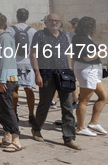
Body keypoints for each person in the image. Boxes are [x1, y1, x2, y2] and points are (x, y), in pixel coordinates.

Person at [30, 13, 80, 150]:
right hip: (46, 75)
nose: (54, 23)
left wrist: (71, 70)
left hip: (64, 75)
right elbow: (33, 54)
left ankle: (69, 138)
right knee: (44, 105)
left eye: (57, 20)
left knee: (67, 106)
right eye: (51, 20)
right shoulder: (39, 35)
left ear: (60, 22)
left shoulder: (64, 36)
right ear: (45, 22)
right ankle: (36, 129)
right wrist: (37, 73)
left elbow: (68, 53)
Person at [0, 12, 22, 153]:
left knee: (7, 108)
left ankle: (16, 139)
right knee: (0, 109)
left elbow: (6, 60)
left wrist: (1, 80)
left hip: (5, 79)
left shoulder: (5, 38)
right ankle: (7, 136)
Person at [72, 17, 108, 136]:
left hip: (91, 70)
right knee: (84, 100)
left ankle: (93, 123)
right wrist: (102, 51)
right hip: (87, 70)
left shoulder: (80, 37)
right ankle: (80, 127)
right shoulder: (81, 39)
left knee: (104, 96)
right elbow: (87, 57)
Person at [7, 8, 37, 126]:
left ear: (17, 16)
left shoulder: (10, 30)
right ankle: (31, 114)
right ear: (27, 17)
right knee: (29, 90)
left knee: (14, 89)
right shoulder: (33, 31)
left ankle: (14, 113)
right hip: (28, 63)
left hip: (14, 63)